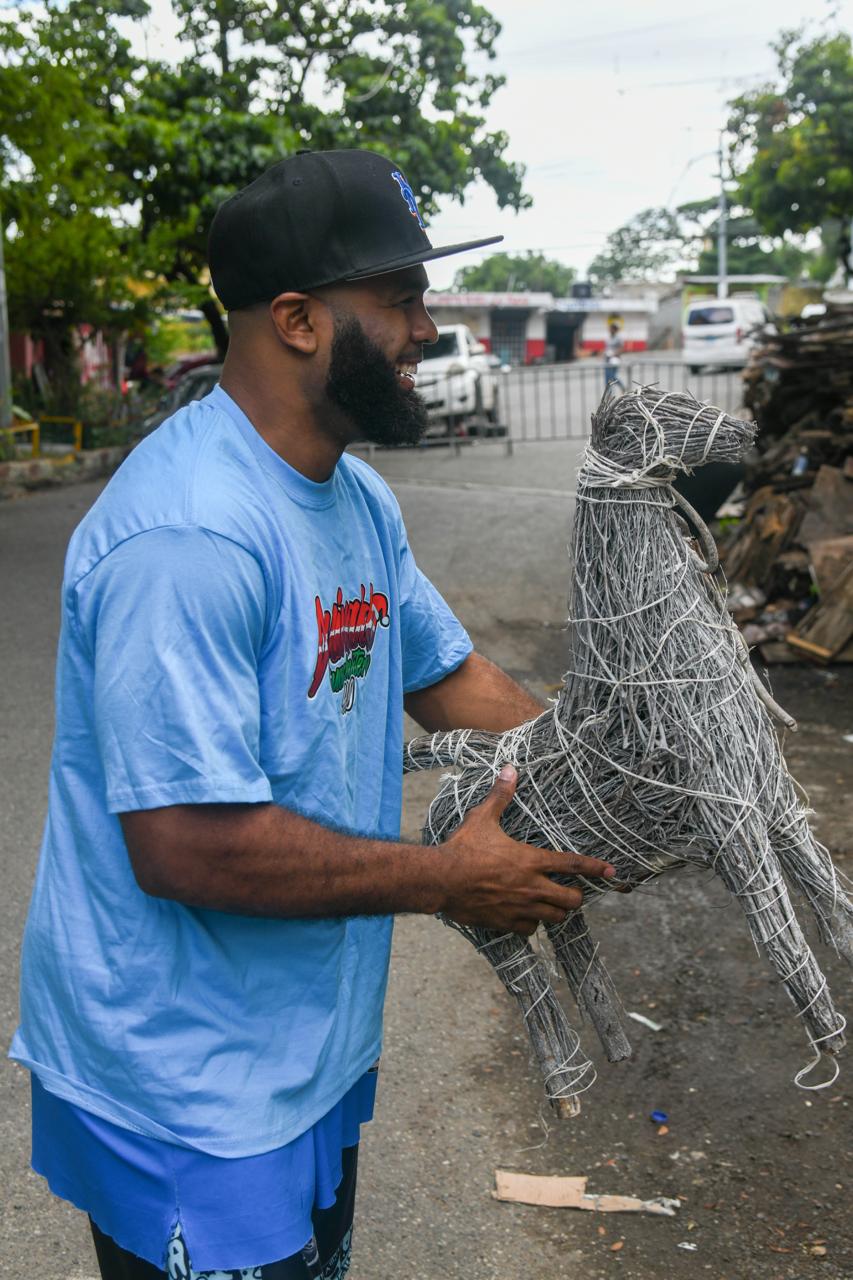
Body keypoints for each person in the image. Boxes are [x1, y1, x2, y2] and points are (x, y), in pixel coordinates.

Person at [10, 148, 616, 1280]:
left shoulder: (356, 497)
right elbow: (185, 844)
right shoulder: (187, 534)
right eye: (399, 299)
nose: (427, 329)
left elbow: (447, 678)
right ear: (296, 320)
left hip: (304, 1050)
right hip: (185, 1087)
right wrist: (447, 878)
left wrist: (609, 780)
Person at [603, 320, 625, 392]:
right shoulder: (608, 337)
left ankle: (622, 387)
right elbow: (606, 347)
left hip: (615, 359)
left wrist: (614, 354)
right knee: (607, 376)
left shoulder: (618, 338)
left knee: (612, 376)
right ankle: (608, 392)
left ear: (614, 329)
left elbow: (621, 349)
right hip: (607, 358)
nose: (610, 330)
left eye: (611, 328)